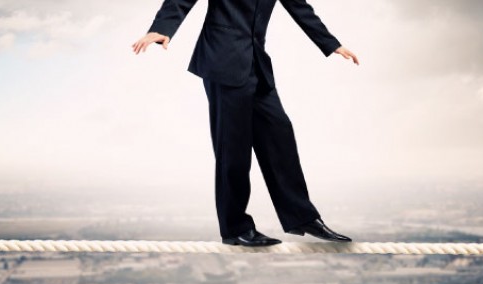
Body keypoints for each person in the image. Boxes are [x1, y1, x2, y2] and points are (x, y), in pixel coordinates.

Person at [131, 0, 358, 247]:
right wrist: (162, 28)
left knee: (280, 137)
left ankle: (301, 217)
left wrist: (331, 44)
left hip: (255, 64)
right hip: (222, 61)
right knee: (233, 151)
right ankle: (234, 228)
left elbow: (299, 7)